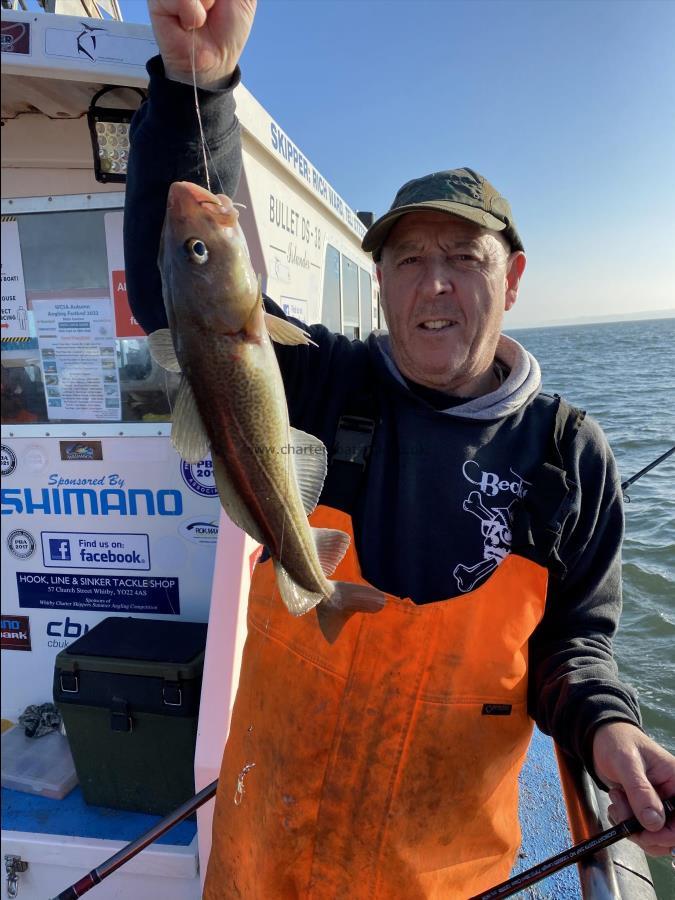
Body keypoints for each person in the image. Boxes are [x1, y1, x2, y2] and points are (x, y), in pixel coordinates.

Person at [126, 2, 674, 896]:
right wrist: (197, 82)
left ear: (514, 277)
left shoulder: (569, 457)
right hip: (261, 860)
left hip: (440, 877)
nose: (435, 285)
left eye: (463, 256)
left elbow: (576, 645)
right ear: (378, 279)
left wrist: (608, 730)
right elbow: (181, 299)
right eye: (409, 259)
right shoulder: (321, 380)